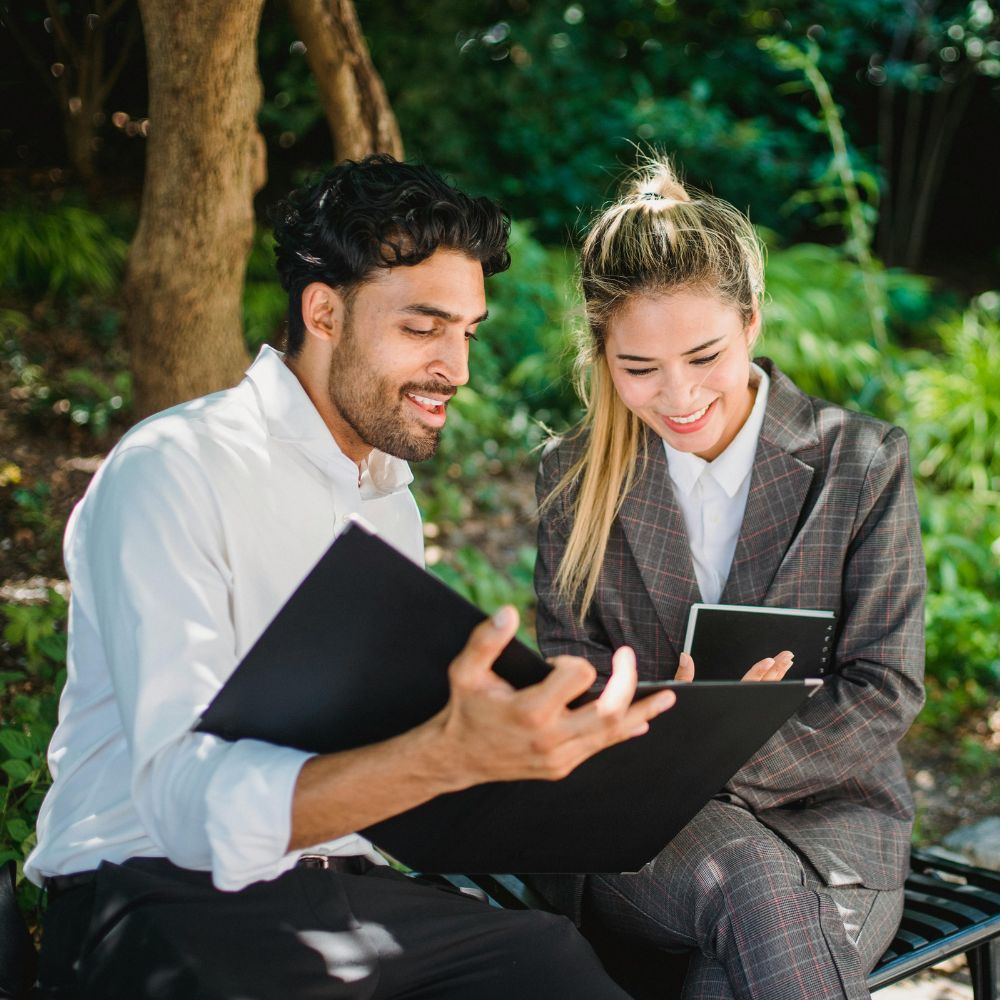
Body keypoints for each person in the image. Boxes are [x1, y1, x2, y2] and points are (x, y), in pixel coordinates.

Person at [26, 155, 679, 1000]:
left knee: (552, 965)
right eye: (423, 328)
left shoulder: (384, 504)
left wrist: (574, 738)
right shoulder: (174, 468)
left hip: (348, 892)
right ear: (324, 310)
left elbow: (391, 764)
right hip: (155, 892)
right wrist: (444, 756)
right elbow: (184, 807)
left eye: (468, 332)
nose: (459, 368)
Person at [533, 158, 926, 1000]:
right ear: (602, 355)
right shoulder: (573, 477)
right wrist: (663, 747)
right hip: (649, 829)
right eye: (638, 368)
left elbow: (885, 686)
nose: (676, 396)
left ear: (752, 322)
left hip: (833, 822)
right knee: (747, 880)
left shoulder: (859, 462)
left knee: (730, 963)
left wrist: (709, 756)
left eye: (704, 355)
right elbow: (572, 673)